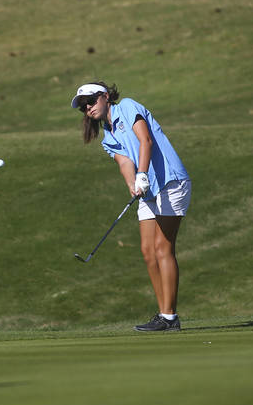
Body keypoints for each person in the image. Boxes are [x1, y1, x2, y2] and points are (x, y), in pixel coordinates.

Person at [71, 81, 191, 332]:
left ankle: (170, 317)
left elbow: (145, 140)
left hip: (170, 181)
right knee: (148, 251)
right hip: (147, 189)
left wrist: (143, 174)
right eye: (83, 106)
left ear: (105, 97)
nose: (88, 108)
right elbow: (125, 162)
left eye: (91, 101)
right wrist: (132, 184)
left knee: (162, 247)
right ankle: (163, 315)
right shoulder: (107, 135)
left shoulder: (127, 106)